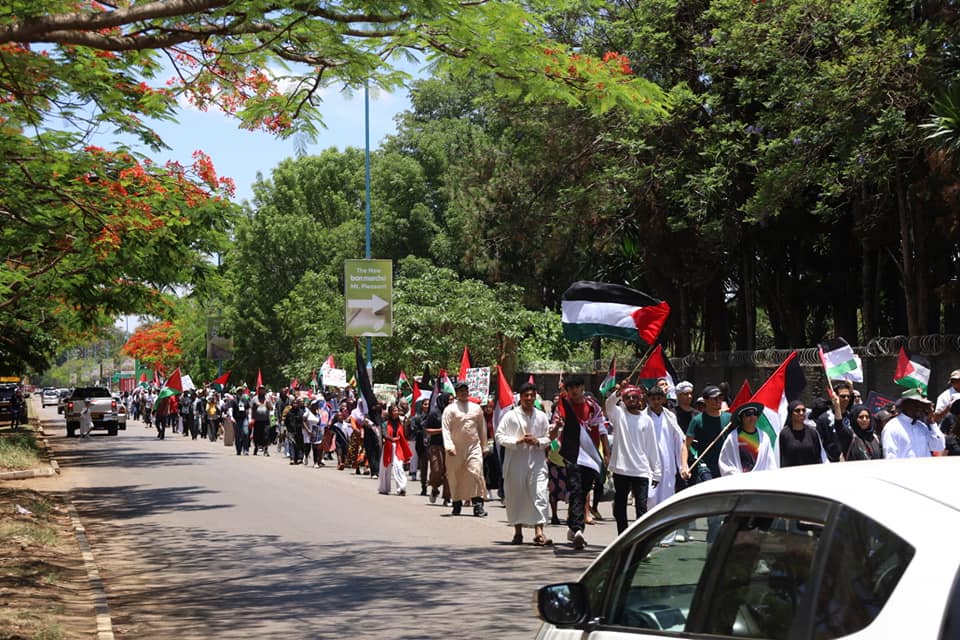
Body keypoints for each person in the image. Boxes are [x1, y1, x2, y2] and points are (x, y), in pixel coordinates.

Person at [554, 376, 608, 550]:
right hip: (572, 455)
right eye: (571, 388)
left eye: (577, 386)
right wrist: (558, 427)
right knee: (575, 489)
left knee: (584, 491)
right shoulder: (563, 407)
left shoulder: (593, 407)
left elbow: (600, 430)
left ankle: (572, 526)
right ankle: (578, 529)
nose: (574, 390)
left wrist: (604, 453)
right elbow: (555, 428)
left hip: (590, 456)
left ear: (582, 387)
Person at [495, 382, 551, 545]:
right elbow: (499, 436)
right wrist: (517, 441)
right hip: (516, 462)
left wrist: (537, 441)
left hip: (537, 461)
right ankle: (518, 532)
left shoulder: (541, 416)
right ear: (520, 397)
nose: (529, 398)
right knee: (516, 496)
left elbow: (548, 438)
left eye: (532, 395)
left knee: (540, 495)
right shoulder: (510, 416)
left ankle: (539, 532)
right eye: (526, 395)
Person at [604, 384, 661, 535]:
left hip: (641, 471)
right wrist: (618, 391)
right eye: (627, 397)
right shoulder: (618, 415)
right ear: (623, 400)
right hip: (621, 469)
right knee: (620, 506)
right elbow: (609, 404)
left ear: (640, 399)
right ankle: (622, 537)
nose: (631, 399)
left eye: (634, 397)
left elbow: (652, 447)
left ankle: (640, 539)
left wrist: (657, 472)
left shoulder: (646, 420)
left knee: (641, 507)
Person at [442, 381, 488, 517]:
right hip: (455, 448)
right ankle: (456, 502)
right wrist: (449, 446)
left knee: (476, 472)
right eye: (461, 391)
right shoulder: (450, 409)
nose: (464, 393)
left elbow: (482, 428)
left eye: (465, 390)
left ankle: (478, 504)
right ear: (456, 393)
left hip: (473, 446)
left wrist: (484, 446)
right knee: (455, 475)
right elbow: (445, 428)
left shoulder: (476, 408)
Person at [685, 385, 731, 483]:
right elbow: (686, 445)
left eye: (720, 397)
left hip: (725, 464)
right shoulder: (697, 420)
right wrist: (684, 466)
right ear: (705, 401)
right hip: (705, 466)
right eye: (714, 398)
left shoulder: (729, 419)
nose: (718, 401)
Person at [882, 388, 945, 458]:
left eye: (922, 404)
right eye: (916, 404)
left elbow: (939, 447)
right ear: (905, 405)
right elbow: (890, 457)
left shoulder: (922, 426)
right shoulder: (892, 427)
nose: (920, 408)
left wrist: (932, 422)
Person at [719, 403, 777, 475]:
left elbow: (770, 462)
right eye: (748, 414)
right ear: (741, 418)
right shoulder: (732, 438)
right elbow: (726, 463)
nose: (752, 417)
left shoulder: (764, 437)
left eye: (755, 413)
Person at [775, 399, 828, 467]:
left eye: (803, 410)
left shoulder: (813, 432)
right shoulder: (783, 434)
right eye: (797, 411)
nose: (801, 413)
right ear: (791, 413)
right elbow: (778, 458)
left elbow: (821, 455)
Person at [815, 381, 853, 462]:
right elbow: (819, 443)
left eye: (848, 396)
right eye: (843, 396)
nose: (846, 399)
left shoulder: (852, 417)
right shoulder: (824, 419)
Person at [379, 403, 412, 496]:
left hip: (398, 447)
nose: (396, 412)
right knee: (385, 468)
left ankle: (401, 488)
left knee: (398, 466)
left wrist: (407, 424)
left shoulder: (401, 423)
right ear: (390, 412)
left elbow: (405, 434)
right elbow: (384, 434)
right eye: (394, 410)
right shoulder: (385, 423)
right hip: (388, 446)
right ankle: (384, 488)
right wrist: (391, 439)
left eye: (397, 410)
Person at [425, 392, 451, 505]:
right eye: (449, 399)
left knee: (448, 472)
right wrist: (441, 430)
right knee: (437, 470)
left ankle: (447, 497)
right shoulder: (434, 413)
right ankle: (434, 488)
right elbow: (427, 430)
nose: (451, 402)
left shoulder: (452, 412)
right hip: (436, 445)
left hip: (449, 445)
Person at [409, 397, 431, 495]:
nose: (427, 406)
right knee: (423, 466)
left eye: (428, 404)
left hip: (433, 443)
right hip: (421, 444)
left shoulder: (433, 415)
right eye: (425, 404)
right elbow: (413, 428)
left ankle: (433, 485)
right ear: (422, 406)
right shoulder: (417, 417)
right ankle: (424, 486)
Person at [250, 385, 273, 456]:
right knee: (256, 436)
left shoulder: (267, 398)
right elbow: (251, 408)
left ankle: (266, 449)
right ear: (258, 390)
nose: (262, 391)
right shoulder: (254, 399)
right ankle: (256, 447)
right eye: (260, 389)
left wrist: (268, 404)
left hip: (266, 420)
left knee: (266, 435)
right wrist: (255, 405)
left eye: (263, 389)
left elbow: (271, 408)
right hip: (257, 420)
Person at [284, 397, 306, 465]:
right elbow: (286, 422)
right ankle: (292, 459)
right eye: (294, 403)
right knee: (292, 444)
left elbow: (304, 421)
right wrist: (286, 429)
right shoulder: (289, 412)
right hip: (291, 431)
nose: (295, 405)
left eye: (296, 403)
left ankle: (299, 458)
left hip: (299, 431)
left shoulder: (301, 412)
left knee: (299, 444)